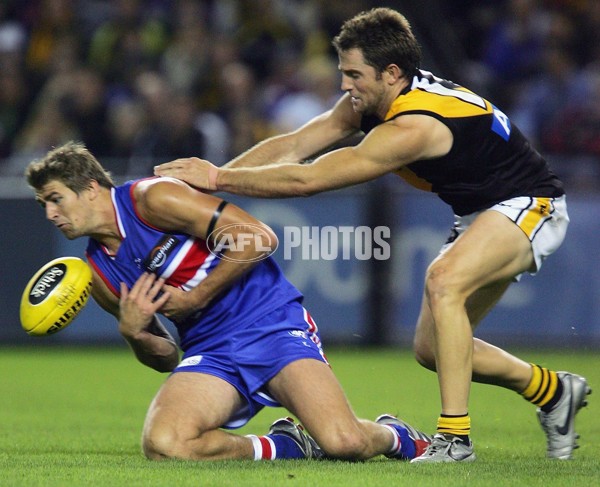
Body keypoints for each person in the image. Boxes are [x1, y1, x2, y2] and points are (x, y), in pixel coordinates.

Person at [154, 7, 591, 463]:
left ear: (392, 73)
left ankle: (454, 441)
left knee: (443, 281)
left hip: (530, 202)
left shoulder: (415, 126)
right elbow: (297, 145)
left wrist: (219, 182)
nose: (345, 85)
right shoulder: (377, 98)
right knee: (432, 349)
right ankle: (553, 390)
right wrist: (211, 184)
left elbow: (309, 179)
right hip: (482, 212)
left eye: (353, 74)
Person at [25, 141, 431, 463]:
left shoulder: (151, 200)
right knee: (165, 443)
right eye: (43, 204)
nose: (48, 213)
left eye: (55, 198)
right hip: (211, 350)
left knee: (344, 442)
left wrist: (196, 296)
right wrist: (134, 335)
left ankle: (395, 436)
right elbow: (167, 357)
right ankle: (287, 447)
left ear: (91, 188)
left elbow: (259, 237)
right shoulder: (97, 274)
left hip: (269, 323)